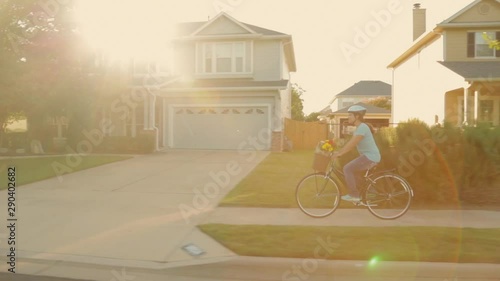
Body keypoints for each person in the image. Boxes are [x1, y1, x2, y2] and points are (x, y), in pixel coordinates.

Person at [331, 105, 381, 202]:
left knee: (347, 168)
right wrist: (339, 151)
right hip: (368, 157)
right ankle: (371, 192)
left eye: (350, 115)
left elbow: (351, 144)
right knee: (353, 173)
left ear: (357, 116)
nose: (348, 117)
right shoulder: (360, 128)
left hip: (370, 157)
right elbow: (350, 143)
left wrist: (339, 154)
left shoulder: (362, 127)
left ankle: (354, 195)